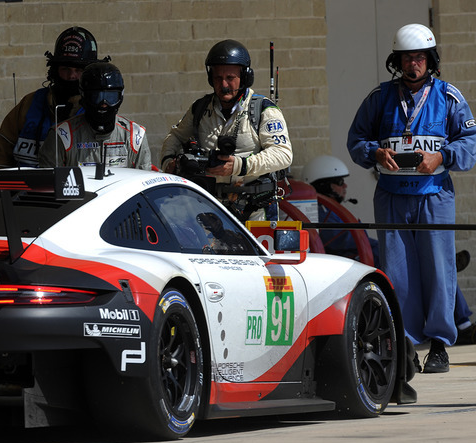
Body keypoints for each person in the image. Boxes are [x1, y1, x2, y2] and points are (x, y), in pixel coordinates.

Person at [347, 23, 476, 373]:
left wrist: (443, 156)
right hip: (391, 196)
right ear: (397, 61)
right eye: (407, 57)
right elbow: (356, 139)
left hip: (434, 196)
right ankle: (402, 343)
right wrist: (375, 153)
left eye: (419, 57)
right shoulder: (379, 98)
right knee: (397, 273)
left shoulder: (449, 97)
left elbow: (470, 142)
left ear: (430, 60)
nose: (413, 64)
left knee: (439, 270)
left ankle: (439, 345)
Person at [306, 154, 476, 346]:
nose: (344, 186)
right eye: (338, 182)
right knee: (435, 268)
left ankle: (461, 324)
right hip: (357, 264)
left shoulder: (333, 210)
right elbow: (346, 241)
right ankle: (460, 326)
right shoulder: (320, 214)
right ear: (322, 185)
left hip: (365, 258)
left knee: (441, 271)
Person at [160, 39, 292, 221]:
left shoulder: (264, 110)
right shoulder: (199, 108)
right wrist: (168, 162)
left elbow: (283, 154)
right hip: (208, 209)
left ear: (244, 77)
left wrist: (240, 165)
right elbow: (175, 135)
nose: (223, 85)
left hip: (255, 212)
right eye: (217, 78)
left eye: (230, 78)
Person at [0, 26, 102, 168]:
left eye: (78, 70)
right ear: (54, 70)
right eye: (65, 69)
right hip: (26, 188)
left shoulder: (98, 111)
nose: (72, 76)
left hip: (77, 189)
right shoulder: (29, 104)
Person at [37, 61, 152, 170]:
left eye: (110, 97)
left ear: (120, 97)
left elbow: (144, 184)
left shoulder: (135, 135)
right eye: (96, 97)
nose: (104, 104)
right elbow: (50, 186)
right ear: (83, 96)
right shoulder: (62, 136)